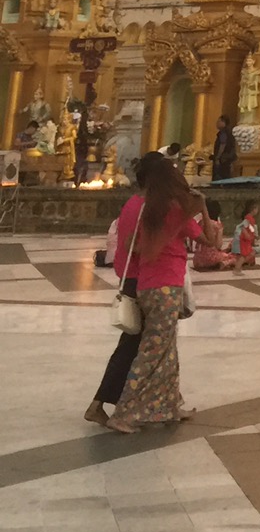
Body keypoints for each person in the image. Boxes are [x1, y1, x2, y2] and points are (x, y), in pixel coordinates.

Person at [105, 151, 205, 434]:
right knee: (151, 350)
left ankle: (169, 405)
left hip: (139, 280)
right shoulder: (161, 210)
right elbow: (204, 238)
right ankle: (123, 412)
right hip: (159, 284)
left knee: (165, 348)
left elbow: (129, 244)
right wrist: (196, 209)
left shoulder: (135, 205)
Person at [86, 155, 150, 424]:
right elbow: (131, 244)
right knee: (132, 345)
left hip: (131, 276)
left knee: (141, 344)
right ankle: (100, 403)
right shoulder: (143, 206)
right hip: (138, 280)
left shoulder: (133, 203)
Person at [193, 198, 242, 272]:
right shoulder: (217, 225)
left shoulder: (200, 223)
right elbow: (218, 245)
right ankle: (225, 263)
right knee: (234, 258)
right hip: (212, 258)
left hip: (197, 259)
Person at [232, 200, 260, 267]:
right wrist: (253, 237)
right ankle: (238, 263)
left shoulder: (247, 219)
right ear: (253, 209)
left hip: (237, 246)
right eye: (257, 209)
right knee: (257, 251)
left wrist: (254, 236)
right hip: (242, 245)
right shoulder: (250, 219)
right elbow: (248, 232)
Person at [210, 115, 237, 183]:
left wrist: (217, 157)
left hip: (223, 160)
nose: (217, 123)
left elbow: (222, 145)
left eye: (219, 121)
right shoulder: (227, 133)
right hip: (226, 159)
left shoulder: (224, 133)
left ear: (224, 122)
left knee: (220, 178)